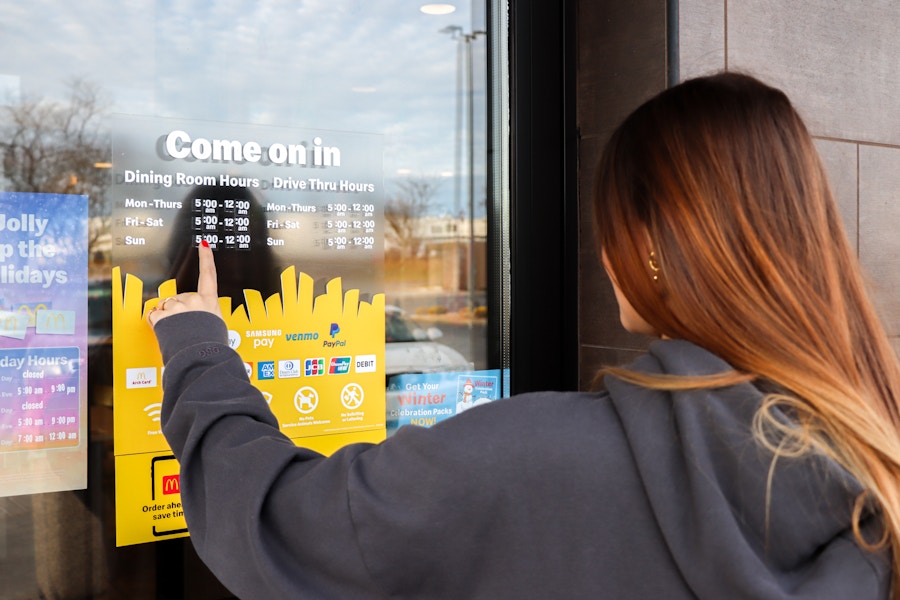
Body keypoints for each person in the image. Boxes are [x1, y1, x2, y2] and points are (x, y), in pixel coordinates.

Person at [146, 72, 899, 599]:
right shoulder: (870, 471)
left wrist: (199, 352)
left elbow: (284, 525)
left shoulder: (535, 461)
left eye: (606, 227)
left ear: (649, 246)